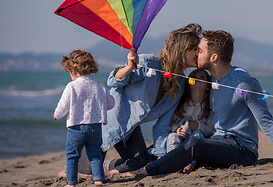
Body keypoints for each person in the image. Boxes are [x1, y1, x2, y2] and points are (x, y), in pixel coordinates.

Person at [118, 30, 273, 176]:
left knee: (194, 145)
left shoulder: (244, 83)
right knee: (161, 147)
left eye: (200, 50)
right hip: (216, 142)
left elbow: (266, 121)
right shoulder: (210, 82)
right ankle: (117, 168)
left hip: (242, 148)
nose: (197, 53)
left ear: (213, 57)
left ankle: (146, 171)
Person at [76, 23, 201, 175]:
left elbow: (162, 125)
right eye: (195, 49)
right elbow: (113, 81)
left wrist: (162, 154)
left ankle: (110, 165)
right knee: (82, 174)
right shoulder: (147, 63)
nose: (198, 53)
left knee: (144, 163)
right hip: (105, 123)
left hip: (130, 129)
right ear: (182, 49)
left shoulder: (180, 84)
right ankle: (72, 168)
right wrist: (129, 67)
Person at [105, 68, 213, 176]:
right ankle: (172, 163)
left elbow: (210, 129)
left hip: (194, 142)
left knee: (197, 135)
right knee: (170, 138)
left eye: (202, 77)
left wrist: (198, 126)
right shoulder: (181, 103)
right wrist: (176, 129)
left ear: (208, 86)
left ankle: (189, 165)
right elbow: (170, 122)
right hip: (176, 141)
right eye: (194, 77)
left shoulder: (208, 107)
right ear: (189, 82)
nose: (197, 79)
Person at [53, 50, 115, 186]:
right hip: (95, 128)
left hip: (76, 128)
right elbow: (110, 103)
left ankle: (71, 183)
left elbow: (63, 105)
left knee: (72, 156)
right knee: (95, 156)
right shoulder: (99, 85)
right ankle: (98, 180)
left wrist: (57, 115)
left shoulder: (72, 86)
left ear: (74, 70)